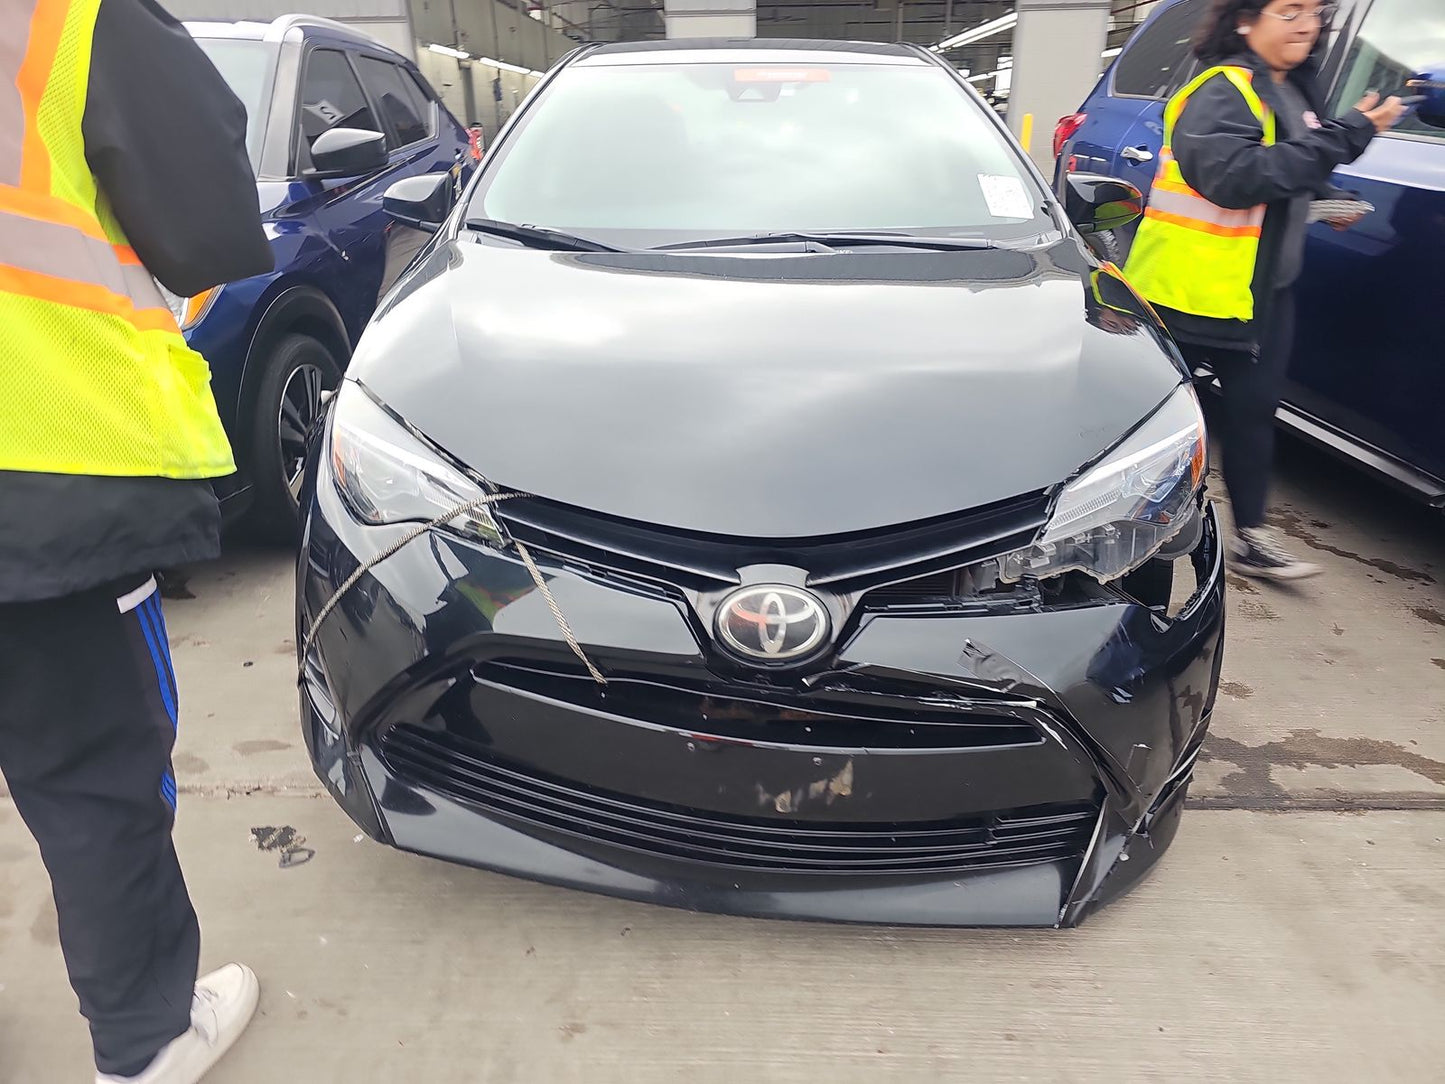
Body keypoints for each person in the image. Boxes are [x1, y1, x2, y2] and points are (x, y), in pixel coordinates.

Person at [0, 0, 273, 1081]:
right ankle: (148, 1040)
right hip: (44, 466)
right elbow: (206, 216)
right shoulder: (60, 16)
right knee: (95, 774)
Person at [1122, 0, 1404, 580]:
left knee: (1254, 417)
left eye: (1316, 11)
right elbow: (1233, 177)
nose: (1308, 23)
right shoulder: (1223, 89)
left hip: (1259, 296)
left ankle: (1252, 537)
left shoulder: (1294, 89)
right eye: (1290, 10)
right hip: (1187, 295)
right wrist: (1351, 135)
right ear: (1246, 21)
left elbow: (1290, 165)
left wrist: (1324, 197)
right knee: (1163, 435)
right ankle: (1137, 546)